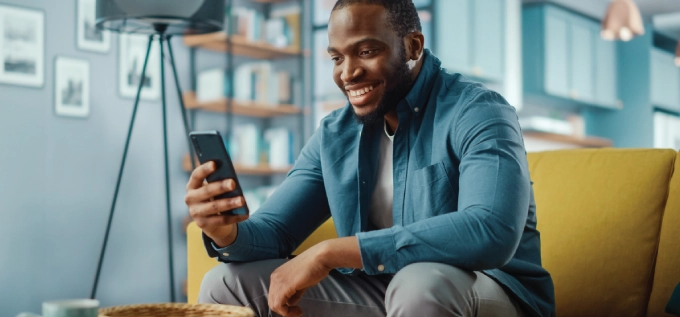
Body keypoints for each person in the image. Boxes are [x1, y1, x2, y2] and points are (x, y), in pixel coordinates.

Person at [185, 0, 555, 316]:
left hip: (491, 292)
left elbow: (490, 231)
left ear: (412, 46)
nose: (348, 73)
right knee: (225, 284)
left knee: (419, 283)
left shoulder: (479, 111)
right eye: (336, 57)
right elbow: (275, 232)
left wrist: (332, 252)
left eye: (366, 52)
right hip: (382, 292)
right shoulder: (334, 133)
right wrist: (227, 232)